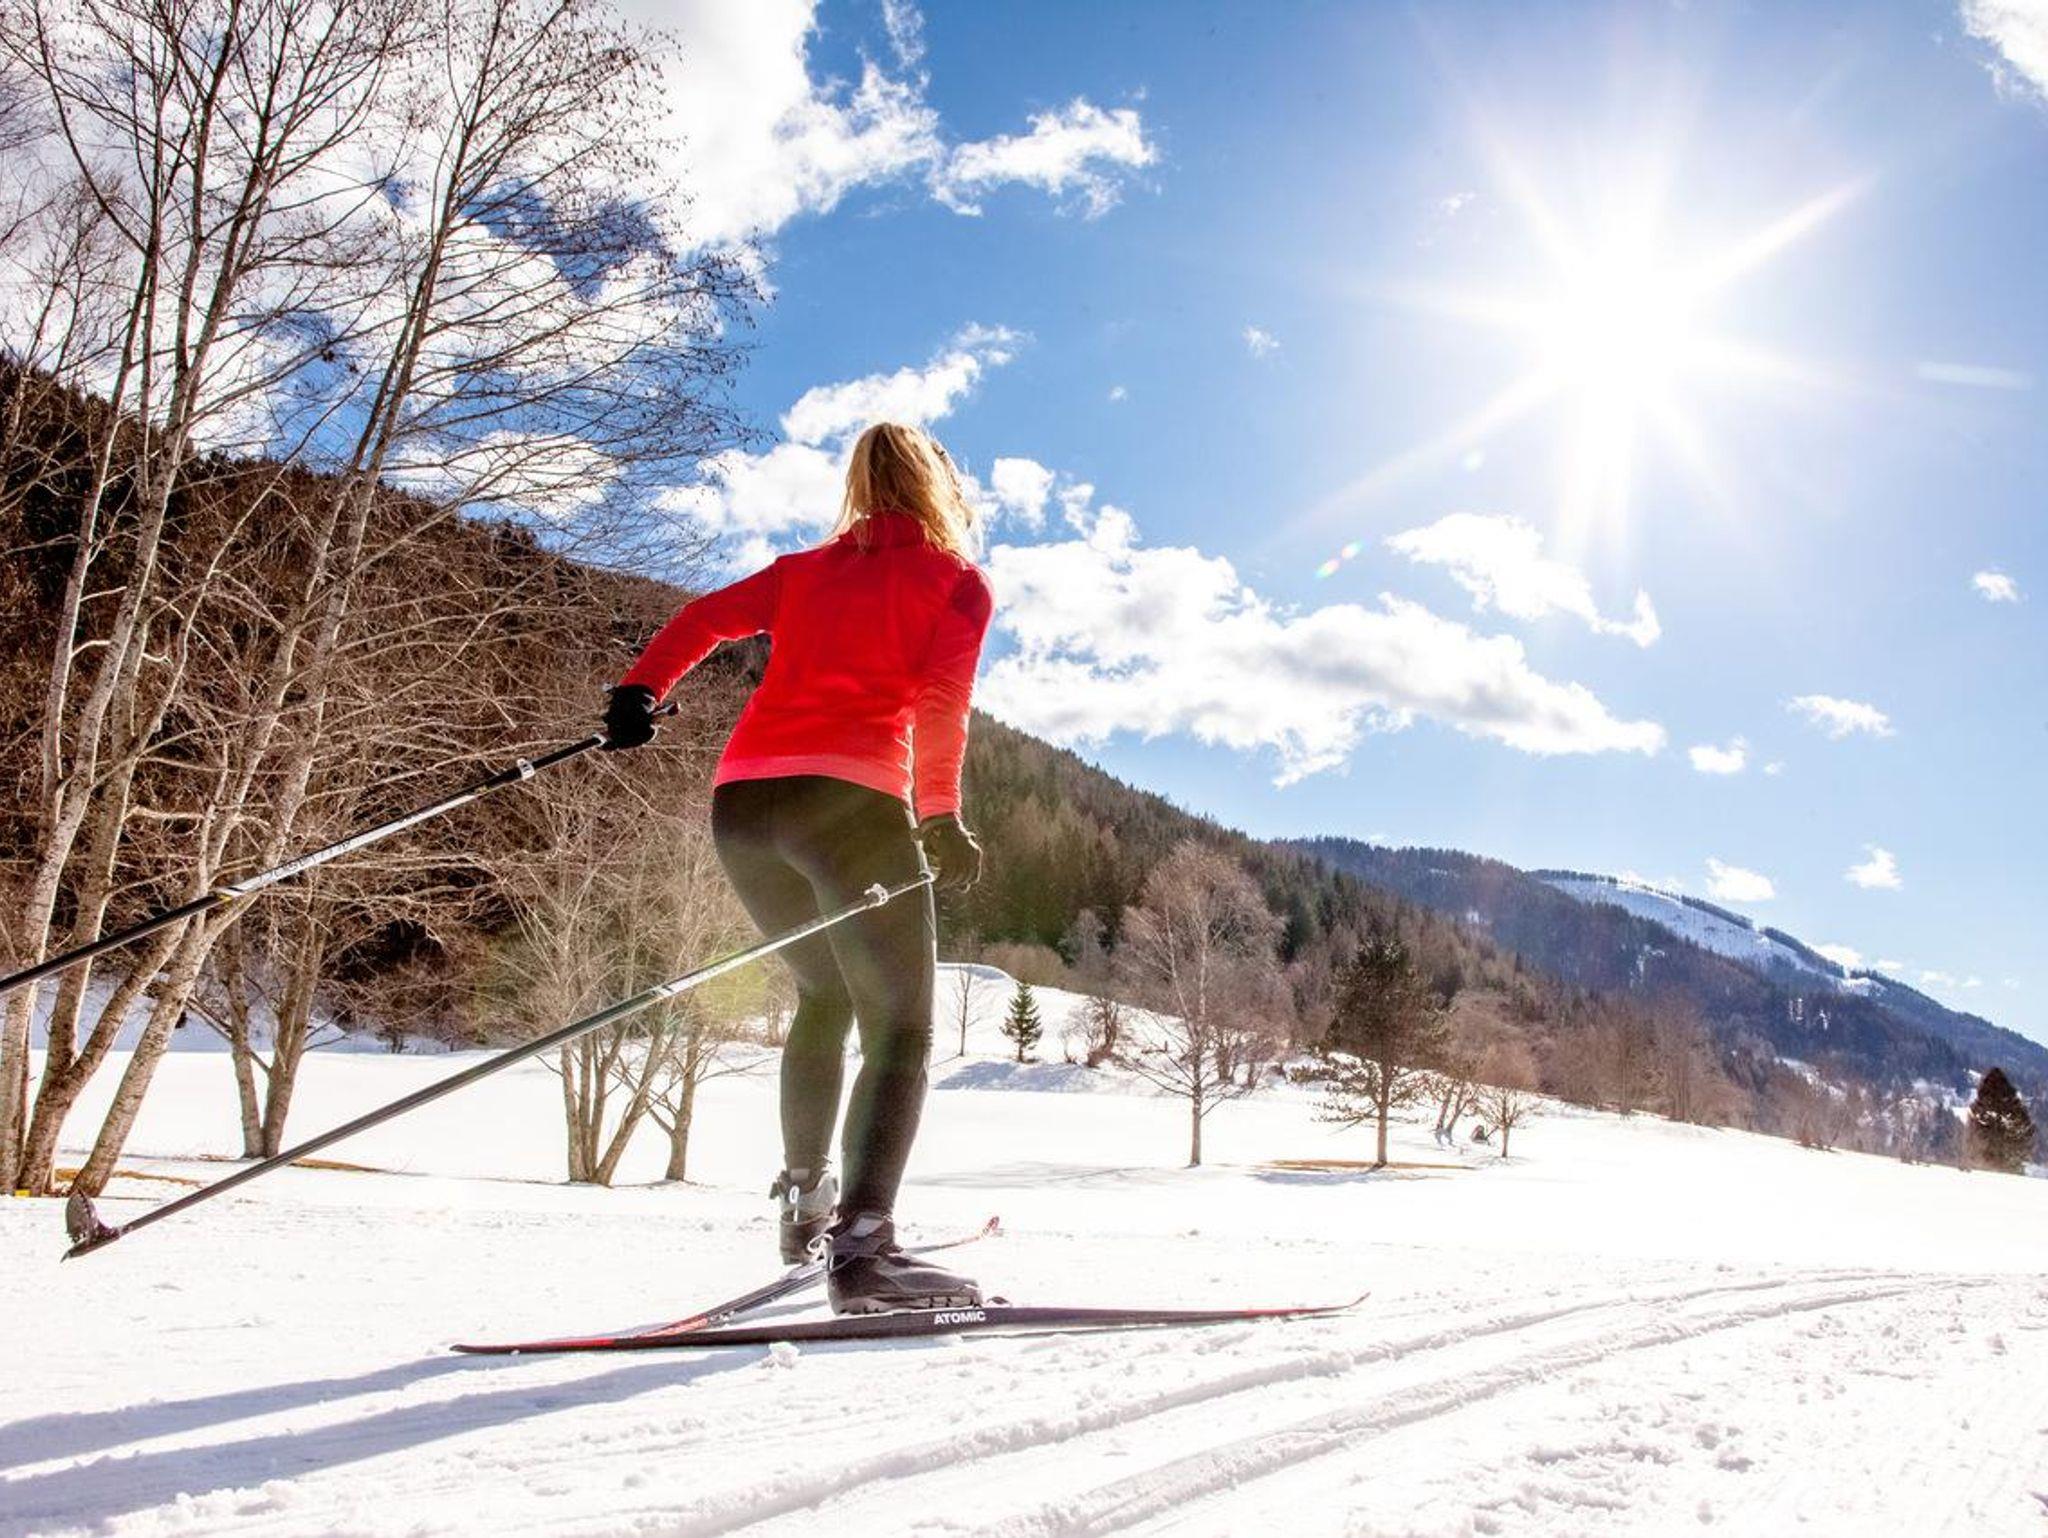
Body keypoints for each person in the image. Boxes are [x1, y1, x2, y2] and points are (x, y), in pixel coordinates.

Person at [601, 422, 994, 1315]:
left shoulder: (803, 572)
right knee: (902, 1028)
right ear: (940, 487)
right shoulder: (956, 581)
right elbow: (942, 701)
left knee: (824, 997)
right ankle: (865, 1250)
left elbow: (701, 619)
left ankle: (807, 1208)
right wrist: (940, 813)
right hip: (851, 810)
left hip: (744, 807)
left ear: (859, 484)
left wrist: (640, 690)